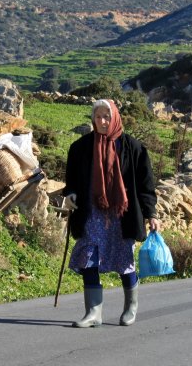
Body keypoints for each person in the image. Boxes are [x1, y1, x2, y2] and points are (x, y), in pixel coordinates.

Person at [62, 98, 160, 327]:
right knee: (89, 258)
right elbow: (72, 180)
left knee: (124, 260)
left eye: (107, 117)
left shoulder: (133, 148)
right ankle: (93, 313)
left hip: (120, 215)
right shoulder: (80, 147)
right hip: (91, 213)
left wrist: (151, 213)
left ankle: (130, 307)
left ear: (115, 117)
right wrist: (71, 193)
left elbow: (146, 185)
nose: (102, 121)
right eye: (98, 117)